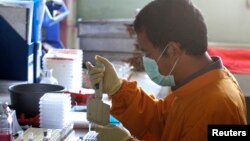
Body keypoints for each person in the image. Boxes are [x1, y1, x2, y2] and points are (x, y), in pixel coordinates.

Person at [85, 0, 247, 141]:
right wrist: (118, 89)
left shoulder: (215, 105)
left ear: (172, 50)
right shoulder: (199, 84)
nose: (146, 60)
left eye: (148, 53)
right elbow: (161, 120)